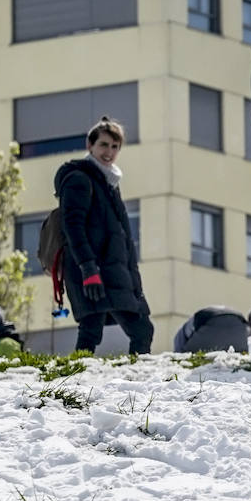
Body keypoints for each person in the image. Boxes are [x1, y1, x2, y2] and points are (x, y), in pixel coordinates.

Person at [54, 116, 154, 355]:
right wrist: (88, 269)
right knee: (96, 329)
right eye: (103, 145)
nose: (109, 152)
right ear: (90, 146)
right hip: (94, 272)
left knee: (135, 329)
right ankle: (77, 379)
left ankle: (129, 377)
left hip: (113, 273)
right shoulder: (80, 180)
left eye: (115, 146)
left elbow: (120, 238)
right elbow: (73, 227)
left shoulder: (109, 184)